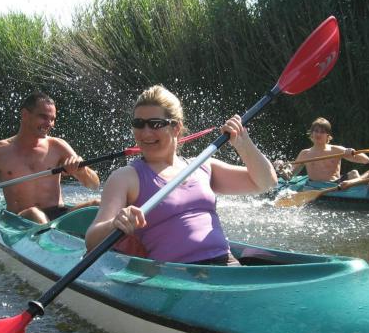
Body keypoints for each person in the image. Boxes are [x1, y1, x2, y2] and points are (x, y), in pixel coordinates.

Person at [84, 85, 277, 265]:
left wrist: (243, 144)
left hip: (226, 264)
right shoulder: (125, 177)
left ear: (176, 128)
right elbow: (92, 240)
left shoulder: (202, 165)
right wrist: (115, 223)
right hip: (176, 274)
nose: (146, 133)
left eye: (155, 124)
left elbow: (266, 182)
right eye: (139, 124)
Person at [0, 91, 100, 223]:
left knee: (97, 204)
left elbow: (94, 184)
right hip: (20, 219)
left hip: (58, 214)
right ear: (25, 115)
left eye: (52, 119)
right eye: (43, 117)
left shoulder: (58, 146)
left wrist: (81, 170)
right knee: (35, 213)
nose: (49, 124)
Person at [276, 117, 369, 182]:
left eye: (322, 132)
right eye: (316, 131)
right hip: (314, 187)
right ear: (311, 134)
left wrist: (353, 152)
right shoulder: (305, 154)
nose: (318, 134)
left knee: (354, 173)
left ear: (327, 136)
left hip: (335, 184)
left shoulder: (336, 150)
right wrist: (280, 169)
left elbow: (366, 160)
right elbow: (289, 176)